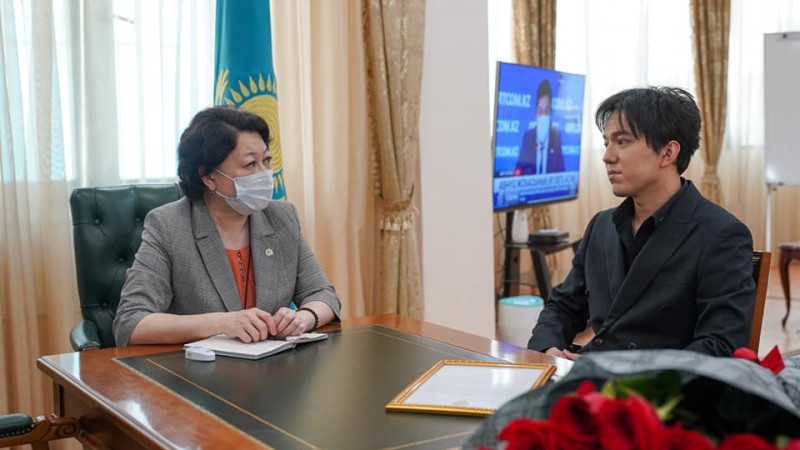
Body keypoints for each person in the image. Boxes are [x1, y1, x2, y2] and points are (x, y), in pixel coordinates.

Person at [527, 86, 755, 358]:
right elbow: (562, 307)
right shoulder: (601, 226)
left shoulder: (721, 235)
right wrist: (550, 349)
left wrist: (617, 373)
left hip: (659, 383)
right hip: (589, 376)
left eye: (622, 142)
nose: (607, 156)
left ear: (668, 153)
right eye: (606, 143)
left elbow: (719, 345)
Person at [113, 106, 340, 346]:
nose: (264, 174)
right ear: (208, 176)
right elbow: (131, 322)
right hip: (197, 366)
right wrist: (222, 323)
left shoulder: (281, 217)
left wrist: (303, 318)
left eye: (266, 161)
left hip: (274, 364)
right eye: (250, 164)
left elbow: (323, 294)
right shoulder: (168, 225)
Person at [515, 79, 565, 175]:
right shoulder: (528, 137)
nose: (543, 116)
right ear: (536, 114)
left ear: (550, 113)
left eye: (546, 111)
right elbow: (518, 172)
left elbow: (561, 173)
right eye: (540, 111)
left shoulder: (556, 136)